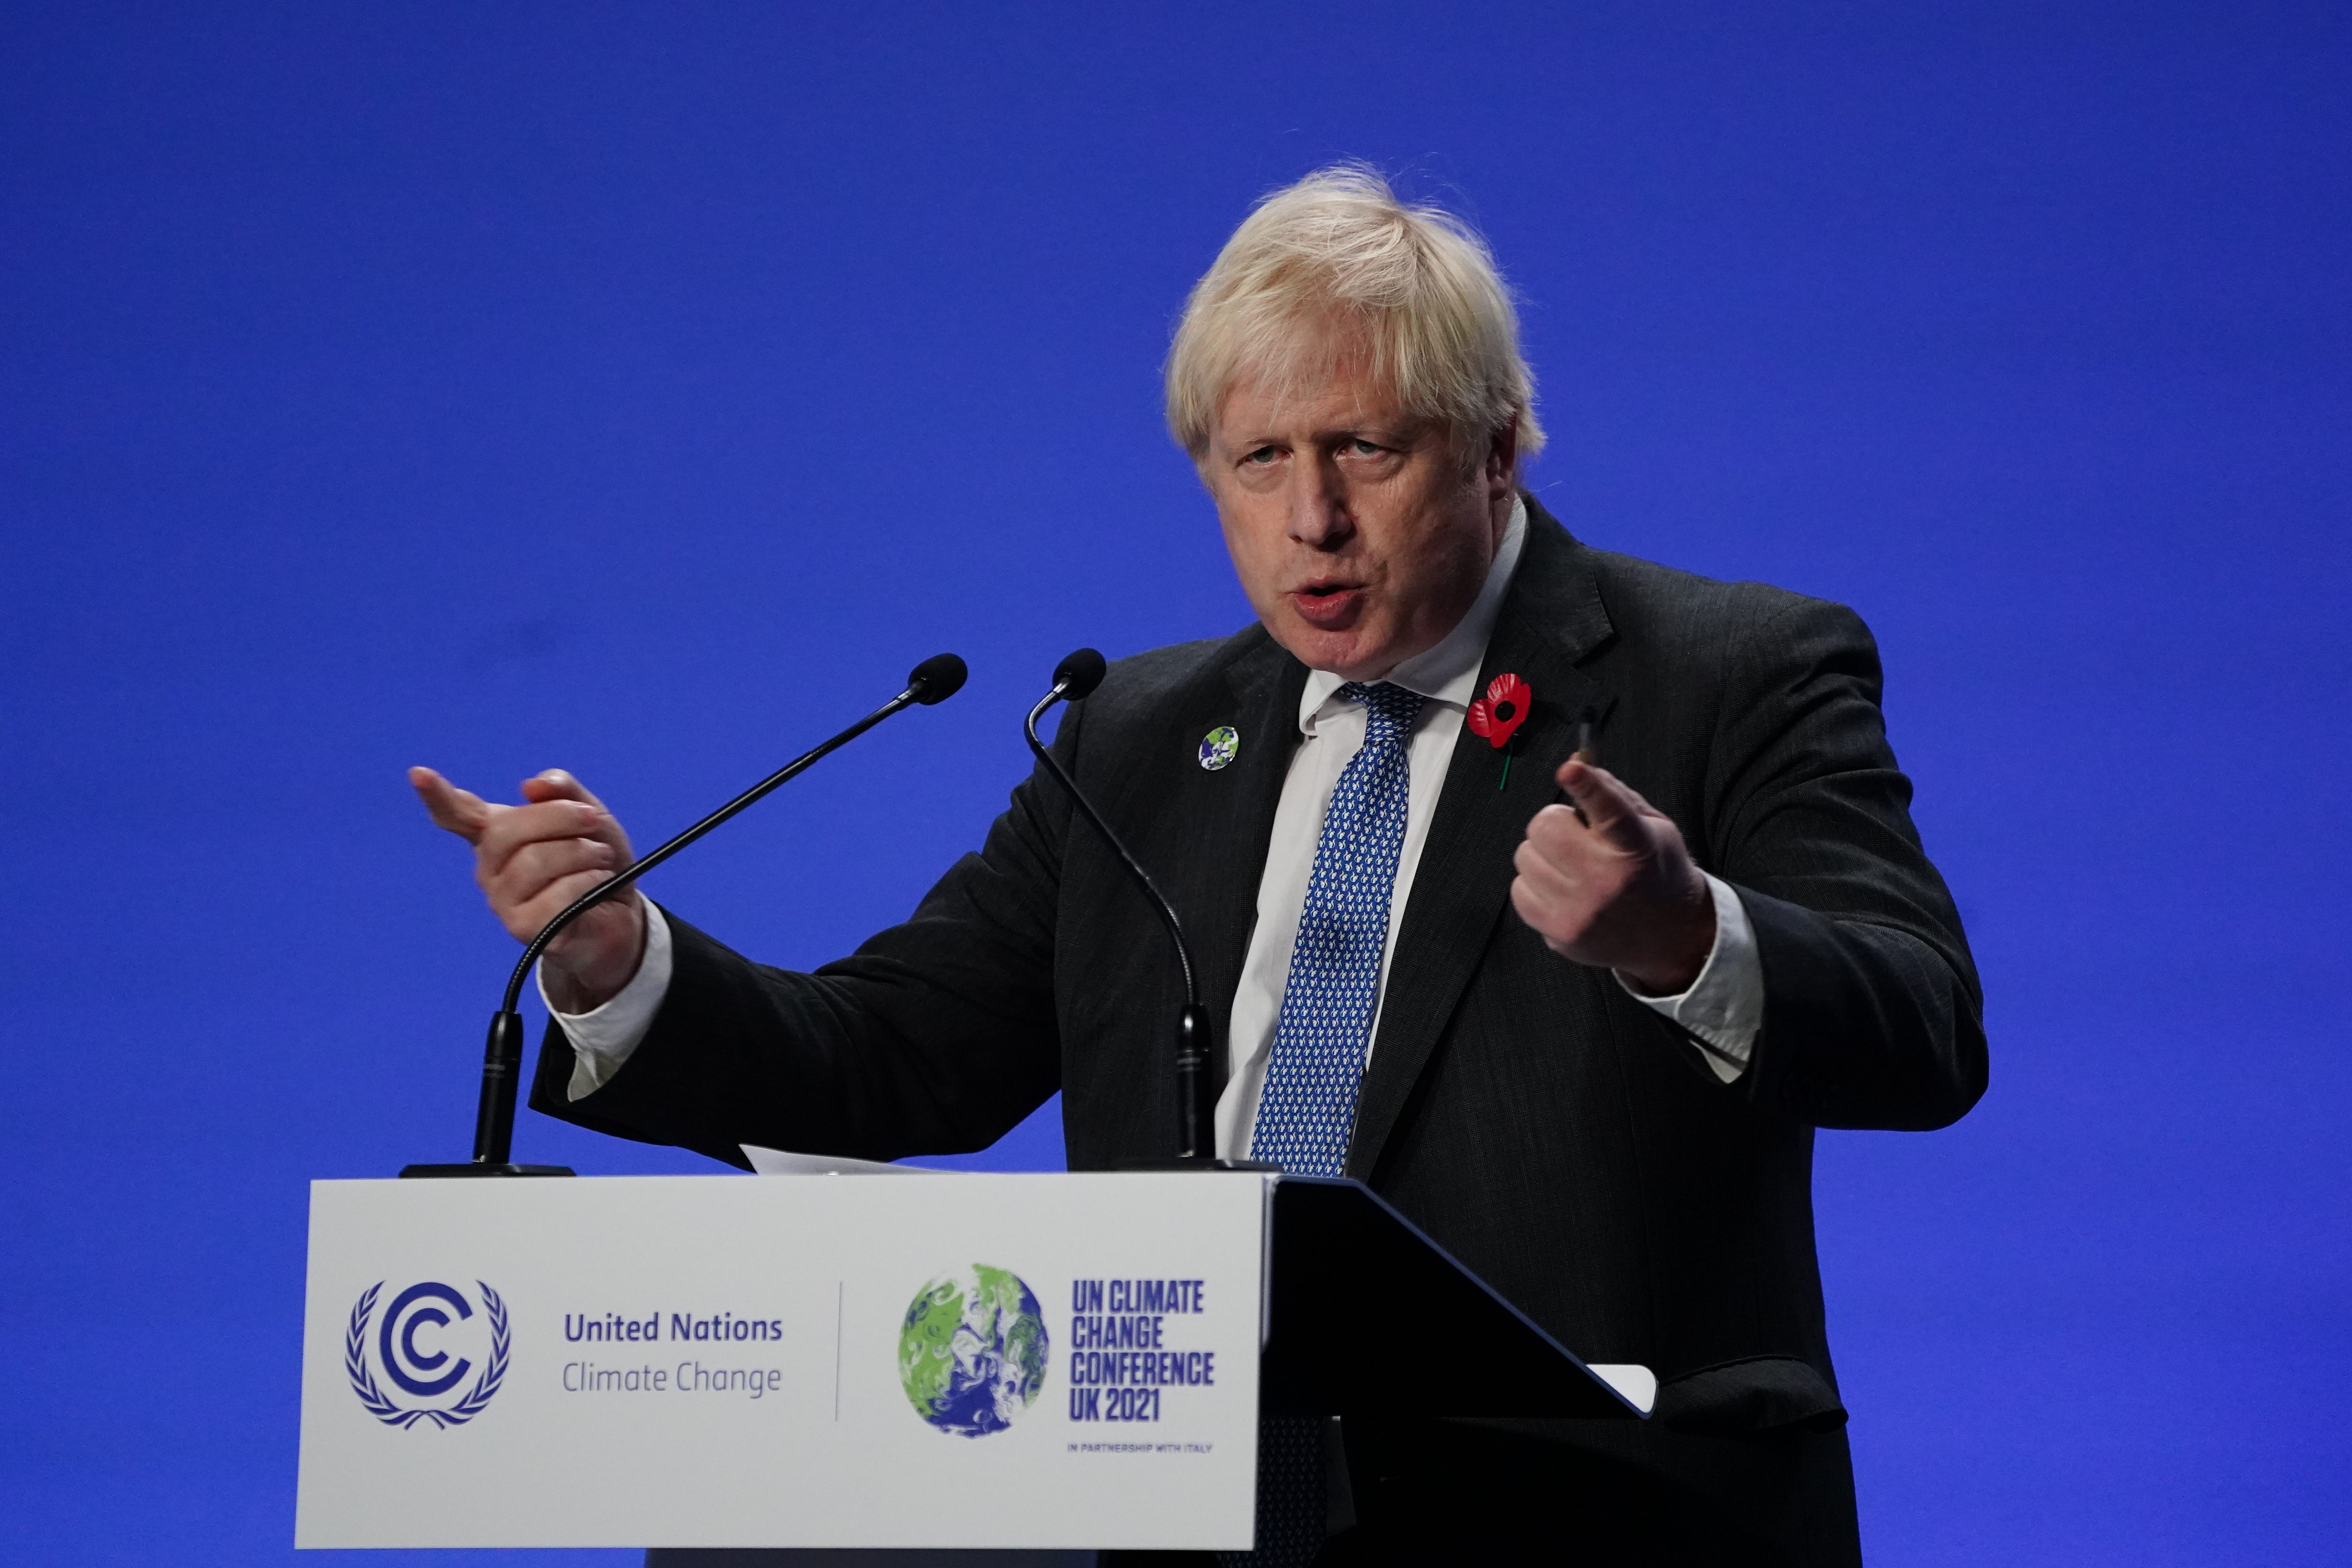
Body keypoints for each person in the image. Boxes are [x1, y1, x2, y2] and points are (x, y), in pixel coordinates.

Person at [412, 165, 1985, 1566]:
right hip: (1193, 1507)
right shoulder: (1137, 738)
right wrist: (623, 969)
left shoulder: (1730, 670)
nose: (1312, 519)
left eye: (1366, 449)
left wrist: (1684, 933)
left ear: (1499, 447)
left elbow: (1924, 1023)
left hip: (1601, 1522)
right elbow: (900, 1056)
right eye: (1258, 459)